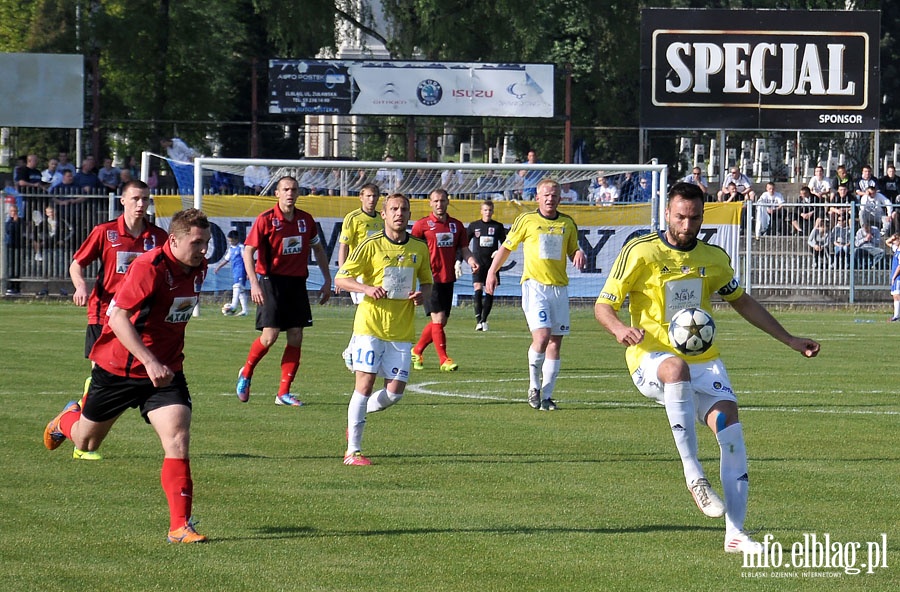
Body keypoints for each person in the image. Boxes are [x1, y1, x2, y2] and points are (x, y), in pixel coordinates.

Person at [594, 181, 820, 555]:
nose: (687, 225)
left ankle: (736, 534)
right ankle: (693, 473)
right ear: (667, 213)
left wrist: (790, 339)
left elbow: (742, 301)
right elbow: (604, 305)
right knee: (675, 367)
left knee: (731, 431)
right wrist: (619, 328)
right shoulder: (640, 252)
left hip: (705, 360)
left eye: (694, 217)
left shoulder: (713, 257)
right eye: (680, 217)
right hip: (650, 357)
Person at [43, 208, 212, 544]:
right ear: (174, 240)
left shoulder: (198, 268)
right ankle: (65, 420)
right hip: (119, 368)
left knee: (178, 435)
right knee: (85, 441)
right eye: (197, 242)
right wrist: (148, 360)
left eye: (206, 242)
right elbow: (117, 317)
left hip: (166, 372)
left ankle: (180, 526)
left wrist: (159, 363)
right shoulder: (148, 268)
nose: (203, 250)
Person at [69, 180, 169, 459]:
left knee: (108, 378)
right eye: (135, 198)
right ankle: (82, 439)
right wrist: (80, 286)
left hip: (139, 320)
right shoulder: (105, 232)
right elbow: (77, 263)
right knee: (99, 374)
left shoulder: (158, 237)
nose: (141, 204)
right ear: (122, 201)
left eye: (145, 199)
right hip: (103, 313)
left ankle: (77, 424)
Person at [335, 193, 433, 465]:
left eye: (403, 209)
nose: (399, 213)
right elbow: (341, 278)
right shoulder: (371, 244)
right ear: (385, 214)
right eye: (393, 209)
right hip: (370, 325)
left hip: (401, 331)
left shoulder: (419, 248)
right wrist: (366, 288)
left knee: (394, 393)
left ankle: (357, 417)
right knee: (364, 385)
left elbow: (427, 282)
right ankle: (352, 450)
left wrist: (421, 295)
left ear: (409, 214)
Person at [485, 178, 586, 410]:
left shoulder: (567, 223)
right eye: (546, 195)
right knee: (541, 337)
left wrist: (578, 253)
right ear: (537, 198)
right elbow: (506, 247)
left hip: (559, 288)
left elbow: (572, 249)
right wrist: (492, 272)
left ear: (560, 198)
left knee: (555, 343)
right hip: (534, 286)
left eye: (554, 195)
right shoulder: (527, 220)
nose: (550, 198)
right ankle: (533, 385)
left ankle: (548, 396)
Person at [235, 176, 332, 406]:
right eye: (286, 189)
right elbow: (248, 252)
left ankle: (283, 393)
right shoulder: (266, 220)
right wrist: (254, 284)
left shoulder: (305, 220)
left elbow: (318, 248)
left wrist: (327, 279)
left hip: (296, 283)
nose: (290, 193)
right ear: (277, 193)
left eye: (294, 189)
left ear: (298, 193)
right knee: (270, 336)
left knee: (296, 335)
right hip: (271, 281)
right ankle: (246, 373)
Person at [410, 188, 478, 372]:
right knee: (438, 320)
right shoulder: (421, 225)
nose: (439, 204)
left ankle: (417, 350)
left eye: (442, 201)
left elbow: (464, 248)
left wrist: (471, 261)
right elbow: (411, 250)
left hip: (448, 278)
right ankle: (444, 360)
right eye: (436, 201)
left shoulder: (456, 226)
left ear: (448, 202)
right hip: (429, 279)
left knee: (440, 322)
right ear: (430, 203)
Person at [336, 183, 383, 369]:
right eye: (369, 196)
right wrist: (343, 273)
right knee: (365, 310)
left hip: (377, 273)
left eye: (375, 196)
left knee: (371, 312)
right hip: (358, 274)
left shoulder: (381, 218)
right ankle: (352, 349)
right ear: (361, 197)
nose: (372, 199)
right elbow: (344, 246)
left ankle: (354, 348)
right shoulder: (353, 218)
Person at [467, 200, 507, 332]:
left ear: (493, 211)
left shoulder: (498, 227)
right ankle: (478, 321)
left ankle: (484, 320)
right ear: (481, 211)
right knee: (477, 289)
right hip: (478, 263)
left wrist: (498, 251)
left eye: (490, 210)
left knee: (489, 290)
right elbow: (464, 244)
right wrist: (459, 261)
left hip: (492, 264)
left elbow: (506, 243)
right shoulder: (474, 226)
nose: (487, 213)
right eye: (485, 210)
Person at [214, 230, 249, 316]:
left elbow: (246, 259)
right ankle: (245, 311)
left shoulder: (241, 247)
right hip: (235, 272)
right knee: (241, 291)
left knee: (236, 287)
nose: (231, 242)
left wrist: (248, 272)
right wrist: (218, 267)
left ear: (237, 239)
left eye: (232, 240)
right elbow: (226, 259)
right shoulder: (231, 249)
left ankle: (233, 306)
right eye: (229, 241)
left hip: (241, 271)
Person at [33, 205, 72, 276]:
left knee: (60, 266)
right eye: (49, 212)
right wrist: (42, 241)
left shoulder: (62, 222)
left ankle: (60, 285)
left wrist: (63, 240)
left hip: (58, 247)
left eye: (52, 212)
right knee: (46, 266)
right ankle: (45, 285)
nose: (51, 214)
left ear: (55, 212)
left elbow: (71, 231)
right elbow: (36, 233)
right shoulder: (43, 223)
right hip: (47, 247)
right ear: (46, 213)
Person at [4, 204, 24, 294]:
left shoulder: (21, 221)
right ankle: (10, 286)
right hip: (10, 246)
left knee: (17, 266)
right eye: (12, 211)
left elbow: (22, 231)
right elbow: (9, 231)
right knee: (10, 266)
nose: (13, 213)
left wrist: (17, 222)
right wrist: (14, 222)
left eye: (15, 211)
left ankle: (17, 287)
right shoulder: (8, 222)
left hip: (19, 246)